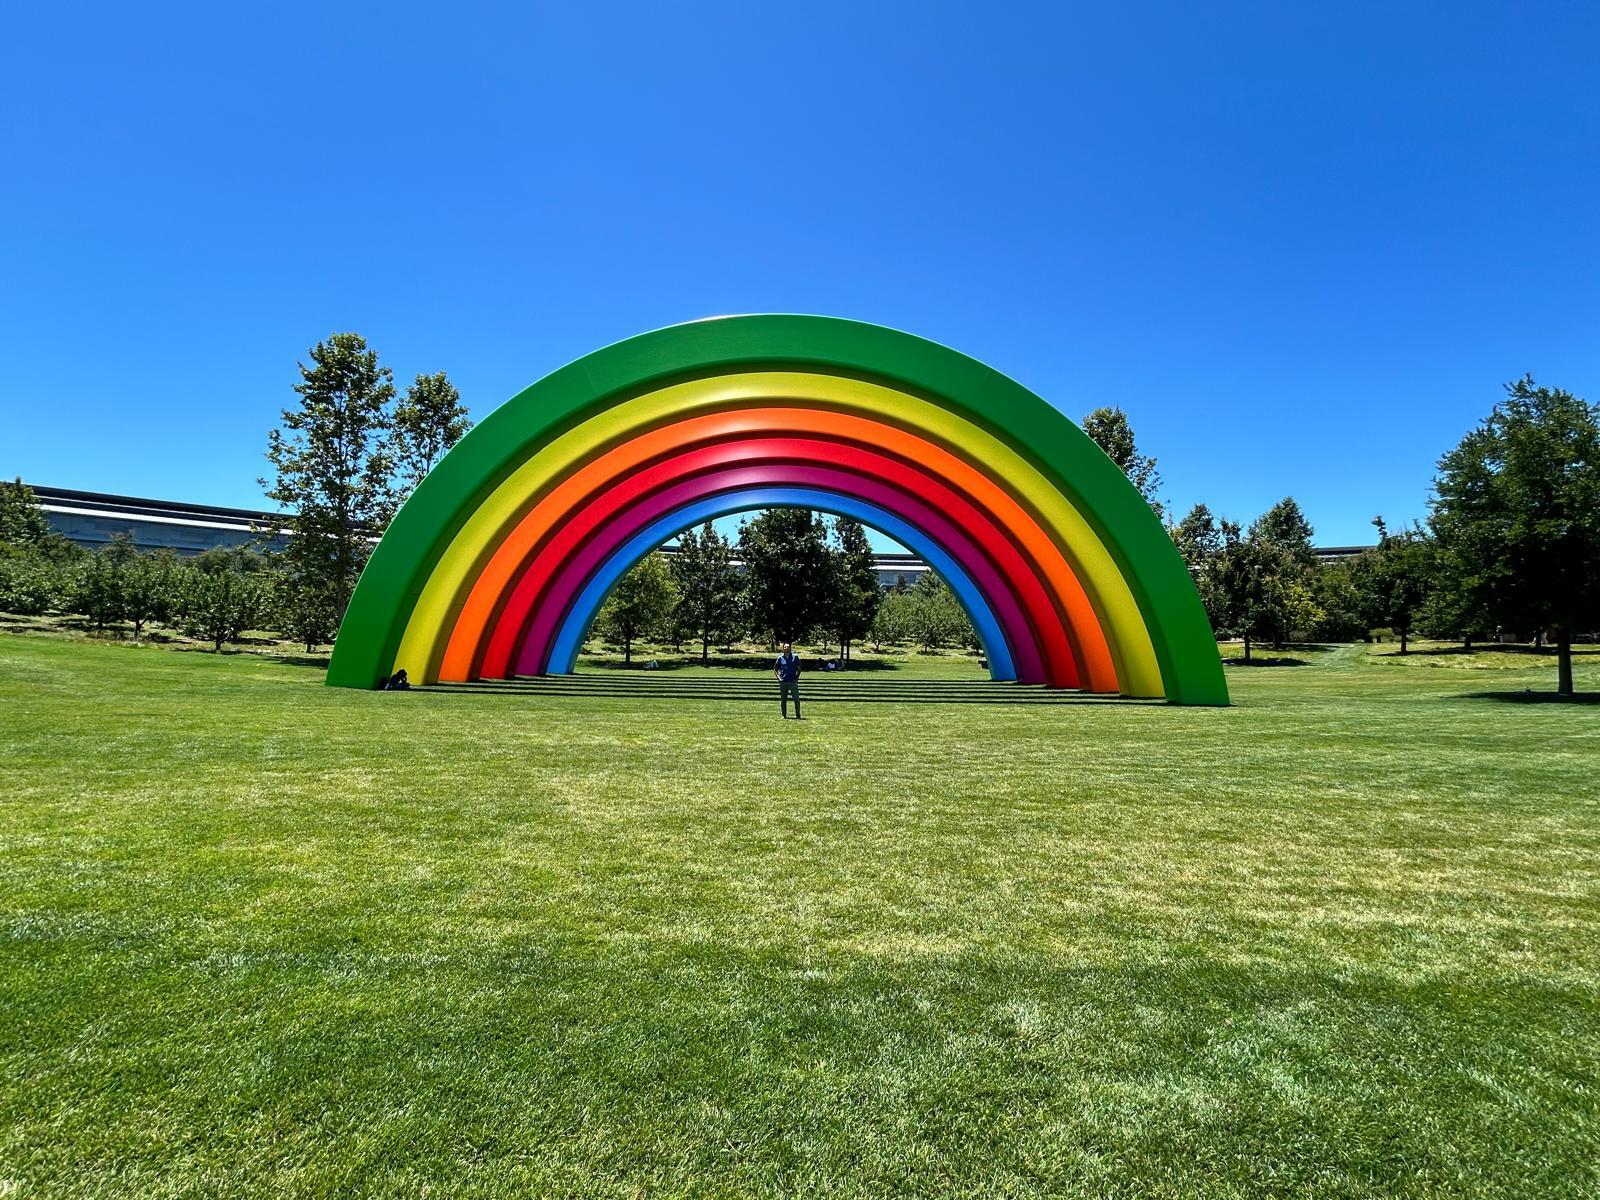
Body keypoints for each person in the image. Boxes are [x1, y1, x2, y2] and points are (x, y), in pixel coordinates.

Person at [774, 643, 802, 719]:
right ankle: (784, 715)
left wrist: (797, 678)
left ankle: (798, 715)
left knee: (796, 699)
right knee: (783, 700)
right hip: (783, 682)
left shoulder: (795, 657)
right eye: (785, 647)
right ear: (783, 648)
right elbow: (775, 669)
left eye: (788, 647)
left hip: (792, 681)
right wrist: (779, 678)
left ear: (790, 648)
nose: (786, 648)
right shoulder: (780, 658)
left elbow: (799, 669)